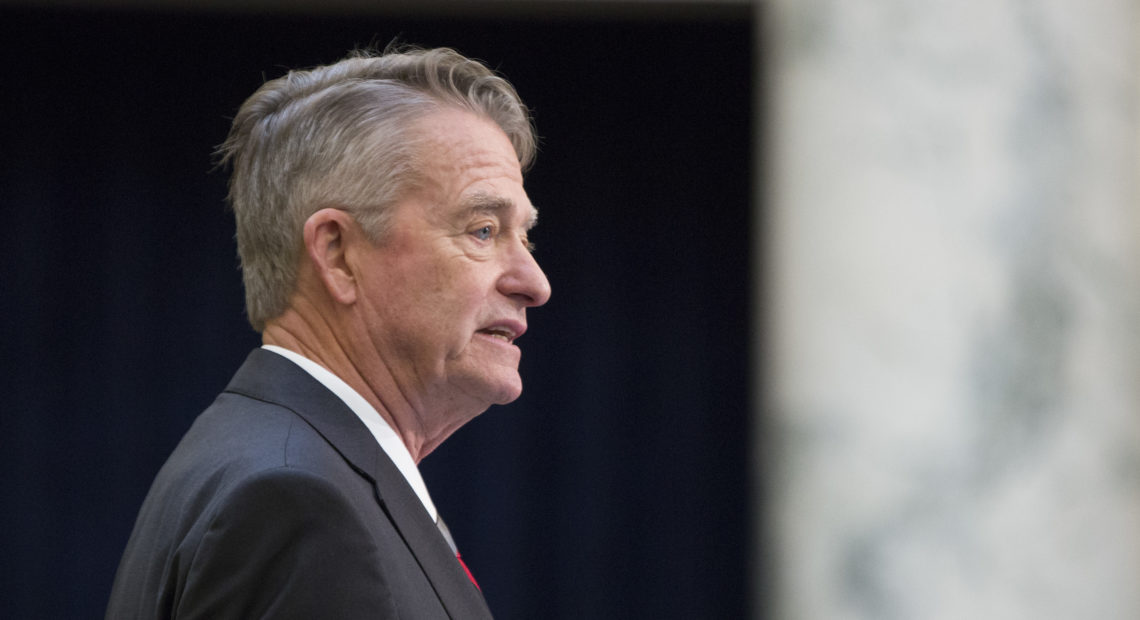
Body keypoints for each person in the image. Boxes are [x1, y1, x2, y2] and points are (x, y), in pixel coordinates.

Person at [106, 47, 551, 619]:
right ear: (338, 254)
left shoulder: (282, 463)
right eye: (483, 230)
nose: (533, 282)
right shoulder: (295, 503)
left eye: (525, 236)